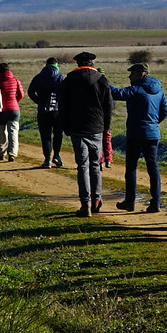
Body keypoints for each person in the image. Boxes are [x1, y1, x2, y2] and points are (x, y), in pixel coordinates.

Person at [59, 52, 115, 216]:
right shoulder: (101, 79)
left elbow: (62, 107)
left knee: (82, 166)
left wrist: (66, 127)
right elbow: (109, 107)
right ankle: (96, 199)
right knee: (95, 165)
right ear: (92, 63)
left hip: (77, 128)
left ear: (78, 64)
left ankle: (86, 205)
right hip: (97, 128)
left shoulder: (69, 80)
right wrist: (106, 128)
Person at [112, 61, 167, 212]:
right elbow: (165, 110)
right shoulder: (159, 90)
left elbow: (117, 94)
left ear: (140, 74)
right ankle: (155, 203)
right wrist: (153, 123)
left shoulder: (136, 89)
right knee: (153, 168)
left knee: (131, 168)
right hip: (153, 135)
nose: (129, 77)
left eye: (132, 74)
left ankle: (130, 202)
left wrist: (102, 81)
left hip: (136, 134)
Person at [27, 57, 65, 168]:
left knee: (45, 136)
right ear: (56, 65)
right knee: (58, 134)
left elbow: (30, 92)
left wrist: (38, 101)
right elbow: (65, 93)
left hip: (42, 111)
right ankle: (57, 155)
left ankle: (47, 159)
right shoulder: (60, 78)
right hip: (57, 111)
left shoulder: (38, 77)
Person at [0, 61, 25, 162]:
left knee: (2, 132)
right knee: (13, 132)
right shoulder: (15, 80)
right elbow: (21, 94)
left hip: (1, 110)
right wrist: (15, 101)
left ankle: (2, 153)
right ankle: (12, 153)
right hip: (14, 109)